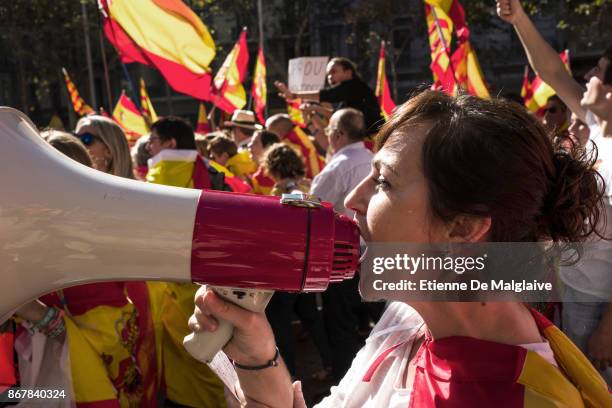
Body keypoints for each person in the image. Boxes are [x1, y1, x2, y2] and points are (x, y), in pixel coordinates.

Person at [189, 91, 612, 407]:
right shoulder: (410, 315)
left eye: (384, 181)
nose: (353, 200)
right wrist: (256, 357)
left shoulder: (516, 396)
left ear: (462, 227)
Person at [497, 0, 612, 385]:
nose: (587, 78)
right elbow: (551, 71)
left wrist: (608, 329)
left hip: (599, 307)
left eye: (597, 74)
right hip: (570, 290)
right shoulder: (597, 126)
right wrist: (518, 19)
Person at [13, 131, 158, 407]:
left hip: (67, 389)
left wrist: (34, 313)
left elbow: (108, 344)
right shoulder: (28, 235)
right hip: (29, 384)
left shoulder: (87, 245)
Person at [145, 116, 229, 407]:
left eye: (152, 141)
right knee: (207, 354)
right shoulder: (206, 167)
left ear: (170, 144)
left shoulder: (168, 168)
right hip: (206, 278)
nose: (148, 148)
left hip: (176, 282)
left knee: (190, 354)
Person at [275, 57, 384, 134]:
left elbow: (326, 95)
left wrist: (294, 96)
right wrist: (315, 109)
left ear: (348, 73)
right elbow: (336, 114)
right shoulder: (349, 94)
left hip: (375, 137)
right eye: (328, 74)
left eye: (333, 72)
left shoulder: (354, 86)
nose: (330, 77)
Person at [265, 114, 325, 179]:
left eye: (270, 132)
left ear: (279, 131)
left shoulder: (287, 145)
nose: (269, 137)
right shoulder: (301, 135)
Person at [222, 110, 259, 176]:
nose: (231, 132)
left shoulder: (241, 152)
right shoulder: (259, 148)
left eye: (231, 129)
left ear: (237, 129)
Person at [247, 130, 280, 195]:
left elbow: (300, 201)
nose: (249, 145)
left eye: (255, 143)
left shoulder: (280, 175)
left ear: (268, 147)